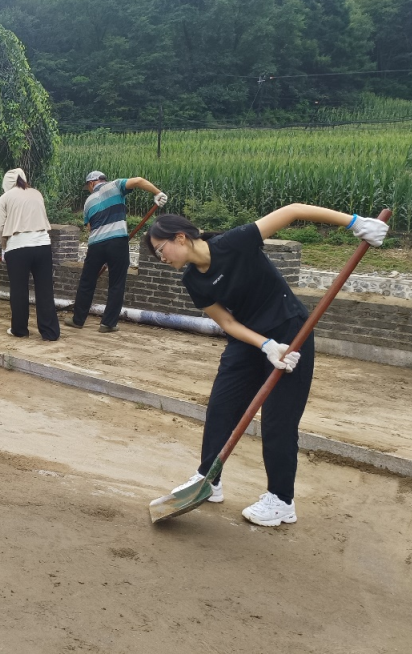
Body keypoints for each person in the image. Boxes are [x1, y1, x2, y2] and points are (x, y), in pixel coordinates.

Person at [145, 206, 388, 527]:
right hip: (250, 339)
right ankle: (208, 479)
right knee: (221, 406)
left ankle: (281, 500)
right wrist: (265, 345)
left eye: (161, 250)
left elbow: (293, 211)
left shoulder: (234, 243)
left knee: (279, 418)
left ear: (181, 238)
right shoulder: (193, 280)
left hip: (290, 329)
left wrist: (356, 223)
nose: (161, 258)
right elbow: (227, 321)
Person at [69, 170, 167, 333]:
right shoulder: (115, 185)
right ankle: (108, 323)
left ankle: (78, 320)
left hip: (96, 245)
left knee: (87, 282)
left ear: (92, 182)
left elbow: (90, 228)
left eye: (88, 186)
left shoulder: (88, 202)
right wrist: (158, 193)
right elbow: (138, 180)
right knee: (116, 283)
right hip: (117, 242)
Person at [0, 168, 59, 341]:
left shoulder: (5, 198)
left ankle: (20, 330)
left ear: (6, 183)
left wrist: (4, 247)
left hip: (17, 248)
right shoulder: (37, 194)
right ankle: (50, 332)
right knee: (45, 289)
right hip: (42, 245)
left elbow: (0, 227)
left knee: (19, 290)